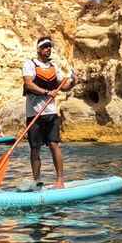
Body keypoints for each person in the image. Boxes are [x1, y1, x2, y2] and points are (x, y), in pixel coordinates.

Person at [22, 37, 73, 187]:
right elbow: (29, 84)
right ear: (38, 49)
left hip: (50, 113)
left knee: (54, 145)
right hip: (33, 114)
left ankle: (60, 180)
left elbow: (63, 86)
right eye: (44, 47)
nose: (48, 49)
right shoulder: (29, 64)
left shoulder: (53, 67)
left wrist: (73, 82)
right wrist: (46, 92)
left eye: (49, 46)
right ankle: (37, 181)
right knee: (35, 148)